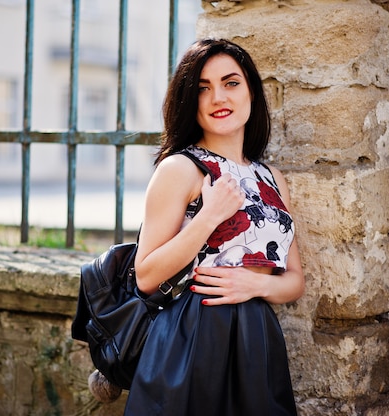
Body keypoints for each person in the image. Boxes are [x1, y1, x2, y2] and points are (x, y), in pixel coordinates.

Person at [125, 38, 305, 415]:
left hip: (256, 337)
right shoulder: (180, 169)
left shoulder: (271, 177)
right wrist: (208, 217)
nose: (218, 97)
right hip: (193, 333)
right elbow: (146, 275)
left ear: (251, 92)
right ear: (190, 101)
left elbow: (295, 280)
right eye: (203, 88)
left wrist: (257, 284)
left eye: (230, 83)